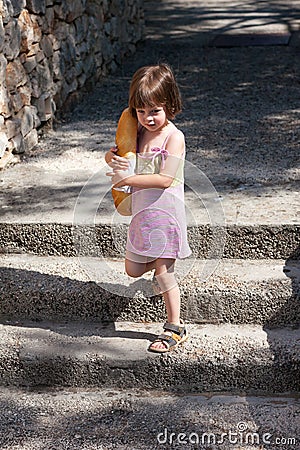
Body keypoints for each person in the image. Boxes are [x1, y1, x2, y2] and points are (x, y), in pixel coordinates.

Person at [106, 63, 192, 353]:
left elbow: (166, 179)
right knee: (132, 269)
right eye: (141, 112)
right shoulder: (138, 133)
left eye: (154, 111)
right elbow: (123, 159)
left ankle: (175, 327)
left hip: (166, 215)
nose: (147, 118)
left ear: (170, 105)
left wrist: (128, 178)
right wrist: (112, 158)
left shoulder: (173, 138)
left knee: (163, 270)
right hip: (143, 215)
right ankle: (159, 277)